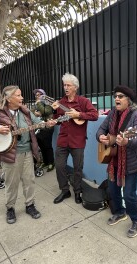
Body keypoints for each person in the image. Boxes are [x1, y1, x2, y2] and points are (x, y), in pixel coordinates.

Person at [0, 85, 50, 224]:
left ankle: (30, 205)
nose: (22, 98)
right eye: (18, 95)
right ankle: (10, 208)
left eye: (21, 95)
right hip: (9, 154)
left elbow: (38, 123)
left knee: (29, 181)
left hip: (27, 152)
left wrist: (47, 123)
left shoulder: (25, 111)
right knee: (11, 184)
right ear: (8, 98)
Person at [96, 85, 137, 238]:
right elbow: (100, 130)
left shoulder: (136, 116)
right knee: (112, 190)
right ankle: (119, 212)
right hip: (113, 159)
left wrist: (126, 142)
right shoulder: (112, 113)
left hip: (131, 161)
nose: (116, 98)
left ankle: (135, 220)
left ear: (128, 100)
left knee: (129, 194)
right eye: (115, 96)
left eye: (120, 96)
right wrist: (101, 137)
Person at [52, 73, 99, 204]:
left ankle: (77, 191)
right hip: (62, 140)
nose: (65, 87)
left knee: (78, 168)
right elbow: (57, 121)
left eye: (68, 85)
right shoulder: (61, 102)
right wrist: (55, 112)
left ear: (75, 87)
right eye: (64, 85)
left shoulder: (84, 102)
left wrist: (79, 114)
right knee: (60, 166)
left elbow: (94, 115)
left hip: (78, 141)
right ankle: (65, 190)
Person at [32, 88, 55, 172]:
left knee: (47, 145)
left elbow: (46, 112)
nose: (37, 96)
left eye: (39, 94)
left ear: (44, 95)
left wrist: (38, 104)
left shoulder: (48, 103)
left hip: (48, 127)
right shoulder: (36, 104)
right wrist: (35, 112)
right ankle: (45, 161)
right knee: (41, 145)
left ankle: (51, 163)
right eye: (36, 95)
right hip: (39, 127)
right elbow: (32, 112)